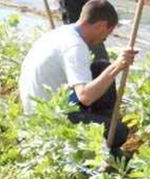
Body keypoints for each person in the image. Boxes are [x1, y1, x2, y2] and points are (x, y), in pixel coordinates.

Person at [18, 0, 135, 152]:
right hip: (50, 118)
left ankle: (100, 119)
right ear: (100, 25)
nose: (102, 40)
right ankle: (103, 147)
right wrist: (117, 67)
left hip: (41, 105)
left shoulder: (64, 32)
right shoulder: (75, 46)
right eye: (105, 36)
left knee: (101, 68)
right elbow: (85, 96)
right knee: (119, 132)